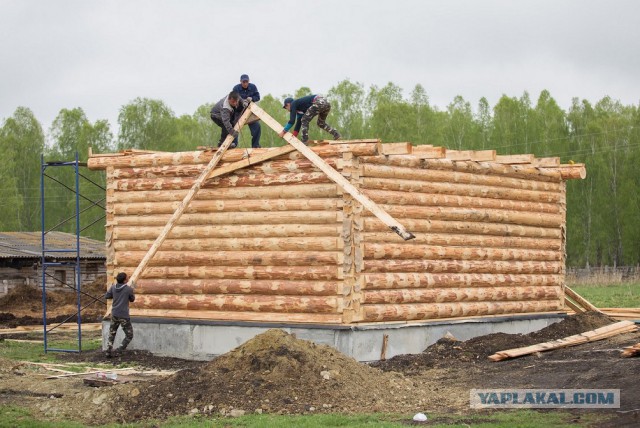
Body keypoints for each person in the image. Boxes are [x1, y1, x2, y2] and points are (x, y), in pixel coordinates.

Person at [104, 272, 135, 357]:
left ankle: (108, 351)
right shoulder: (128, 289)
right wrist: (132, 289)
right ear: (125, 280)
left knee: (112, 333)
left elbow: (107, 296)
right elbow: (132, 299)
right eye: (127, 278)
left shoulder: (113, 287)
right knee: (129, 335)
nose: (128, 278)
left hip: (114, 314)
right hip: (124, 316)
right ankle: (119, 350)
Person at [233, 74, 261, 148]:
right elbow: (233, 99)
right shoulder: (236, 88)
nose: (245, 83)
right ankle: (233, 144)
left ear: (249, 81)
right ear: (240, 82)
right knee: (234, 127)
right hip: (238, 112)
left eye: (246, 82)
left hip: (249, 111)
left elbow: (258, 97)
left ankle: (255, 145)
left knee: (257, 127)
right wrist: (241, 101)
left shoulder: (253, 87)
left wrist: (252, 98)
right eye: (243, 82)